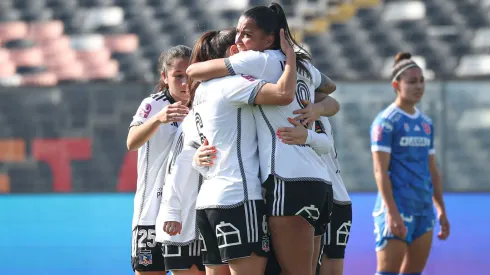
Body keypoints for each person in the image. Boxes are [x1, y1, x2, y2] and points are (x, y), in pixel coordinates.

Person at [187, 3, 338, 275]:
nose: (239, 42)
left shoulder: (255, 61)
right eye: (237, 36)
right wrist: (311, 98)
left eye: (246, 34)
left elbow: (193, 72)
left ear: (268, 39)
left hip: (285, 179)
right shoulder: (302, 66)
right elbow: (330, 89)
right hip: (320, 181)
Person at [370, 52, 450, 275]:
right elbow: (380, 171)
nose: (419, 86)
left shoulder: (426, 123)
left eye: (421, 80)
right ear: (396, 84)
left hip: (423, 210)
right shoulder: (386, 122)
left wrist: (440, 209)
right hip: (398, 208)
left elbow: (433, 170)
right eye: (412, 81)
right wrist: (392, 212)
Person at [126, 45, 192, 275]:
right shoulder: (153, 104)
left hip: (188, 212)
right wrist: (157, 120)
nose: (185, 83)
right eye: (178, 76)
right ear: (165, 77)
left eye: (190, 75)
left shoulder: (204, 107)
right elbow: (131, 142)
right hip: (151, 212)